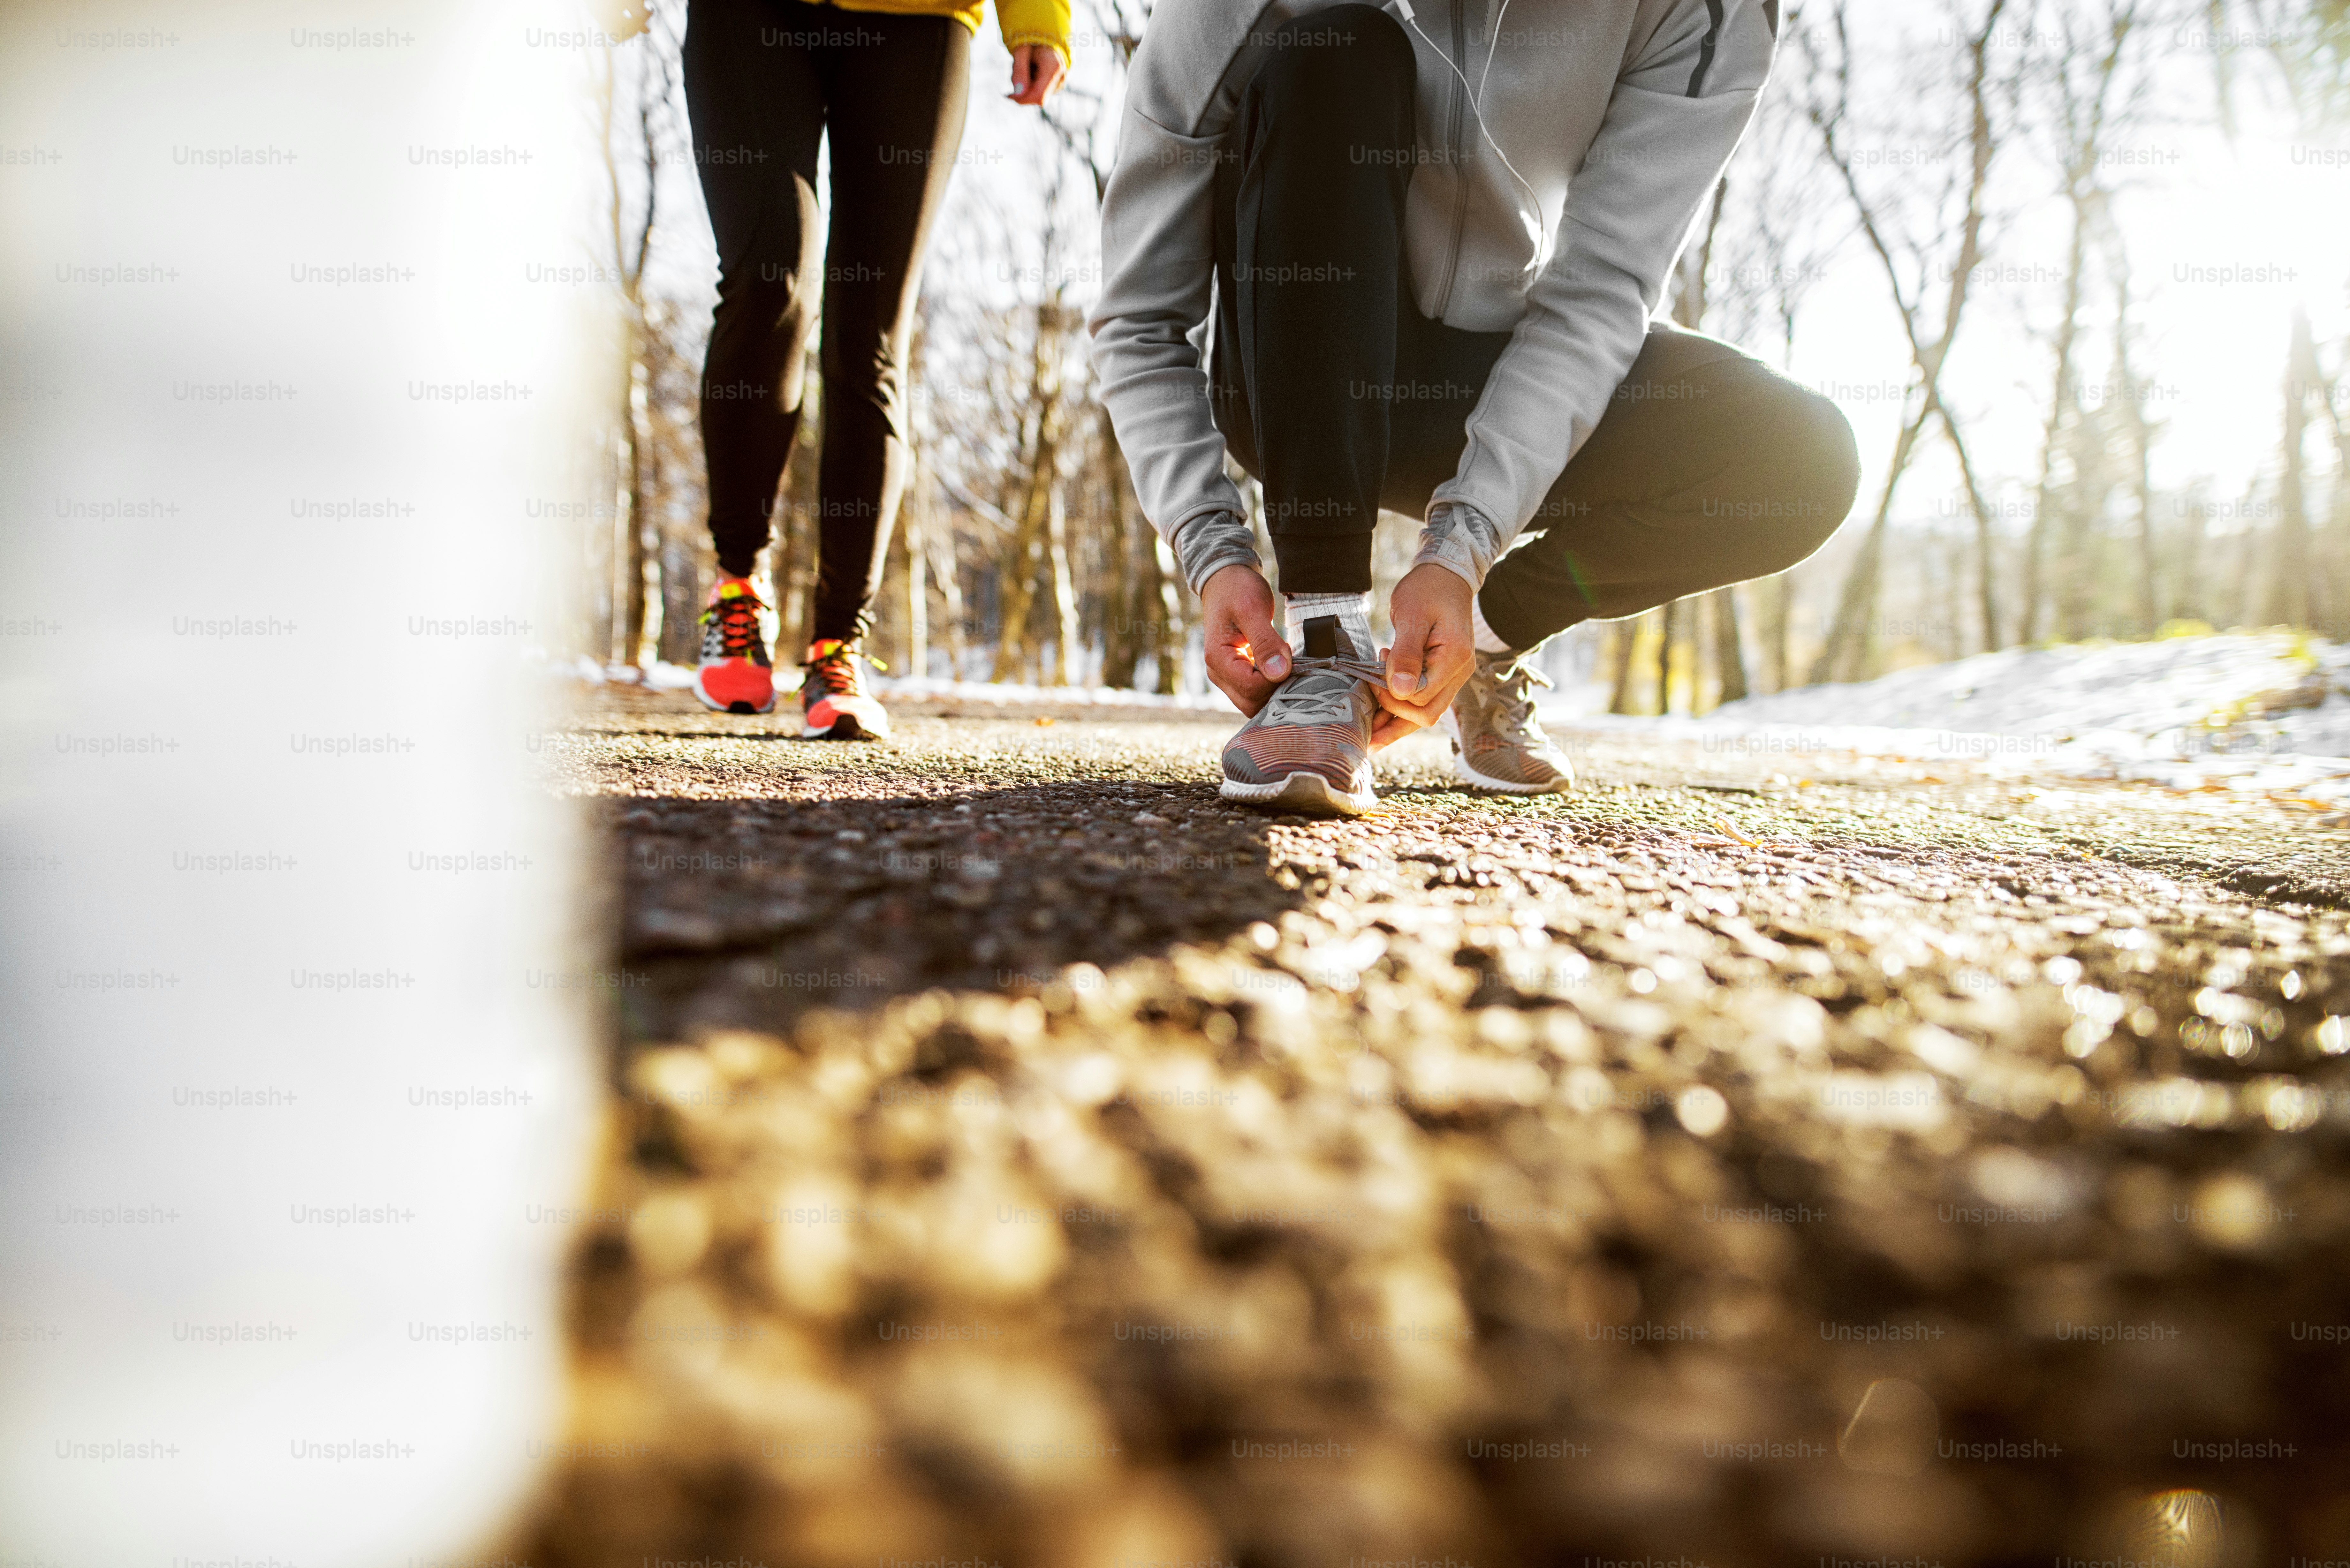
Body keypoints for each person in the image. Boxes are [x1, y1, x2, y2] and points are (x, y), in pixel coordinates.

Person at [1088, 0, 1862, 814]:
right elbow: (1139, 315)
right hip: (1297, 369)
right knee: (1338, 46)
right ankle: (1325, 643)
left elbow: (1597, 294)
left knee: (1799, 458)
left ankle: (1483, 645)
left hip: (1507, 380)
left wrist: (1460, 559)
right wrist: (1212, 551)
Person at [681, 0, 1070, 736]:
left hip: (918, 17)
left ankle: (837, 645)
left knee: (869, 332)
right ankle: (739, 587)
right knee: (768, 283)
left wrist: (1038, 19)